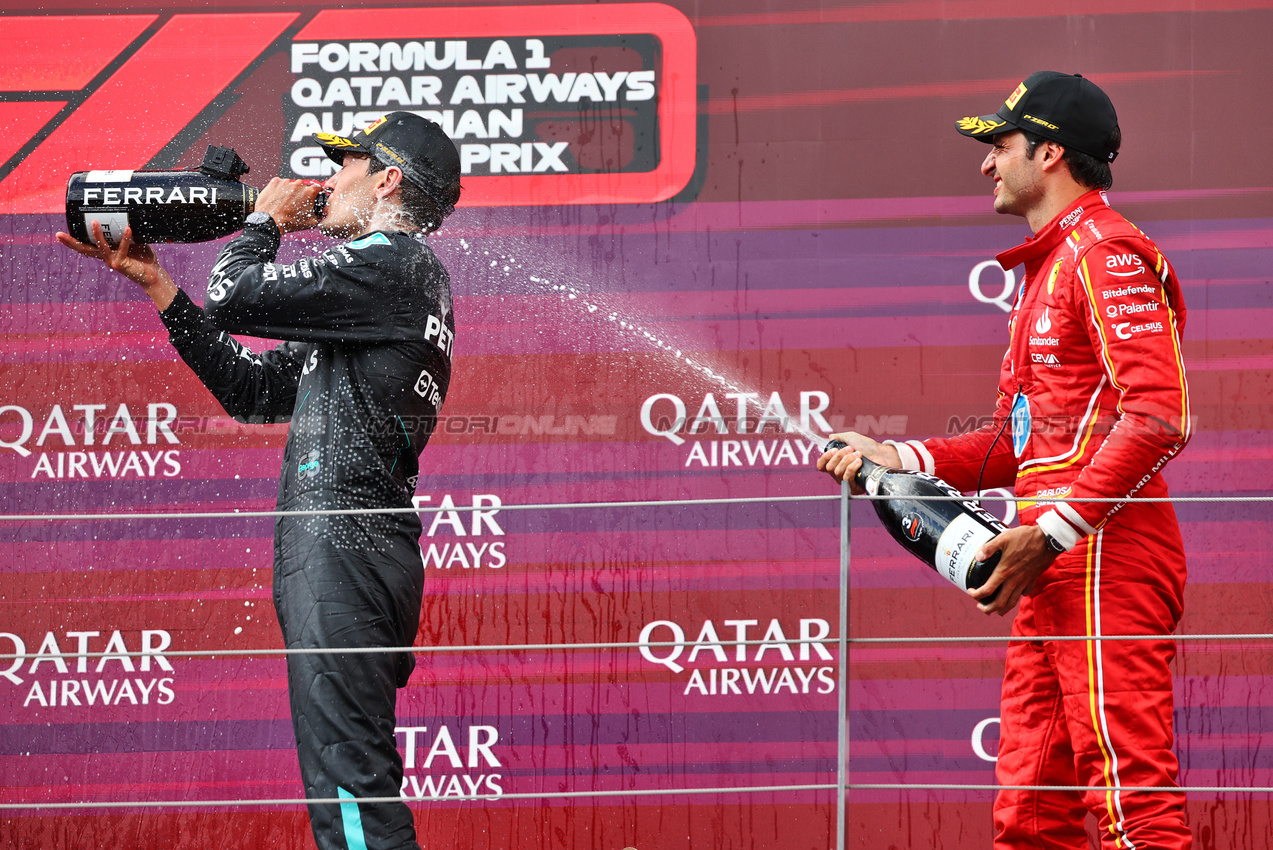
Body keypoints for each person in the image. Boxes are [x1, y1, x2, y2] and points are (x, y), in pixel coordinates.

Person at [57, 111, 462, 850]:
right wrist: (157, 287)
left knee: (350, 797)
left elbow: (236, 292)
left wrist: (265, 222)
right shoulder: (384, 286)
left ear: (389, 180)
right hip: (351, 540)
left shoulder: (390, 259)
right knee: (348, 788)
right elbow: (252, 392)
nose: (329, 180)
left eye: (347, 165)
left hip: (345, 538)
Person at [818, 72, 1192, 848]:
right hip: (1048, 560)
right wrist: (897, 455)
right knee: (1028, 814)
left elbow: (1159, 415)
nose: (986, 163)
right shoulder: (1042, 271)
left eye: (1000, 144)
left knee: (1131, 803)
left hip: (1100, 555)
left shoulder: (1107, 252)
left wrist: (1050, 533)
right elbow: (1014, 444)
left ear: (1049, 151)